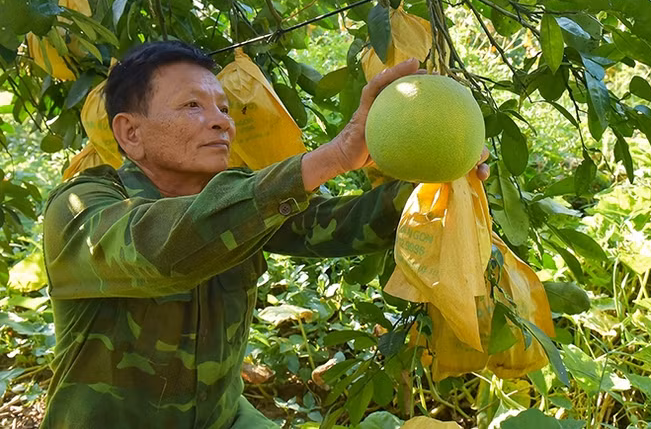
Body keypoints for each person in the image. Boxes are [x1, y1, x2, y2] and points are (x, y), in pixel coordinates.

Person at [40, 41, 489, 428]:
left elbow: (338, 226)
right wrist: (332, 156)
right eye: (193, 105)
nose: (221, 122)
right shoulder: (83, 206)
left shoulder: (237, 201)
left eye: (223, 108)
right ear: (130, 132)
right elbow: (163, 250)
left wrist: (437, 177)